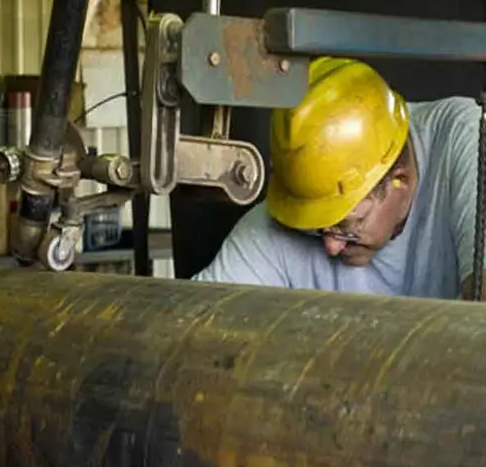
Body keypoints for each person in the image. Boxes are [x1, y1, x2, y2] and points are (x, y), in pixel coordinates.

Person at [194, 55, 483, 300]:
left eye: (347, 226)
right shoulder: (291, 207)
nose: (331, 247)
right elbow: (196, 320)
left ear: (400, 180)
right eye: (316, 228)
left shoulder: (466, 140)